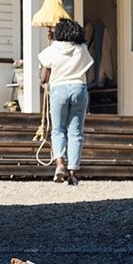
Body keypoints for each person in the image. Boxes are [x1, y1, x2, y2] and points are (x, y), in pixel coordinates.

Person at [39, 18, 94, 186]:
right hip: (78, 88)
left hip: (58, 89)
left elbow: (44, 78)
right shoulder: (81, 48)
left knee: (58, 130)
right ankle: (73, 173)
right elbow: (88, 69)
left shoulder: (52, 49)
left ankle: (60, 165)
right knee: (76, 132)